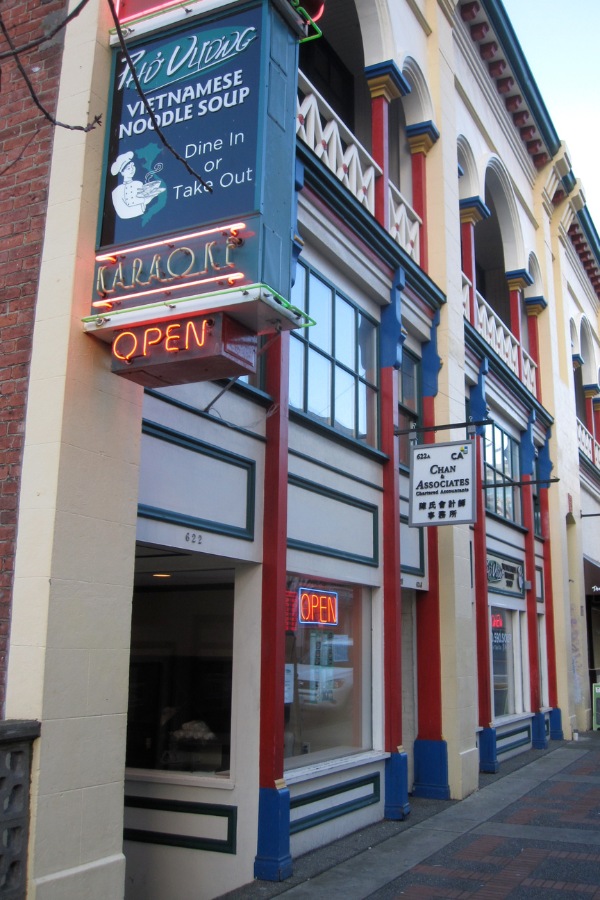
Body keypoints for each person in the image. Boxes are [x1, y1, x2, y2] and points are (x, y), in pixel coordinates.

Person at [110, 150, 164, 220]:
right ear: (122, 173)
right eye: (128, 168)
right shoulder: (116, 191)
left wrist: (148, 198)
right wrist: (144, 203)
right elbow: (122, 213)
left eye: (133, 166)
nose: (132, 169)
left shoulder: (138, 184)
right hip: (128, 227)